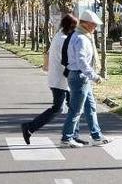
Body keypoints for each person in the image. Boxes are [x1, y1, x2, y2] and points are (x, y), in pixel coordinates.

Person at [21, 14, 89, 145]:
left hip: (60, 79)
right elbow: (67, 60)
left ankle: (73, 135)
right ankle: (30, 127)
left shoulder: (59, 36)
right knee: (61, 108)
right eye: (74, 27)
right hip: (61, 80)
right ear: (70, 27)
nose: (76, 29)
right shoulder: (64, 39)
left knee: (73, 107)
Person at [60, 9, 111, 148]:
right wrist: (95, 77)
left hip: (81, 76)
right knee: (76, 110)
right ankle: (67, 137)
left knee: (91, 108)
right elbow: (82, 62)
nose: (95, 27)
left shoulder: (82, 36)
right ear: (86, 24)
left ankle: (96, 135)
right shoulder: (81, 38)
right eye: (94, 24)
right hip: (79, 76)